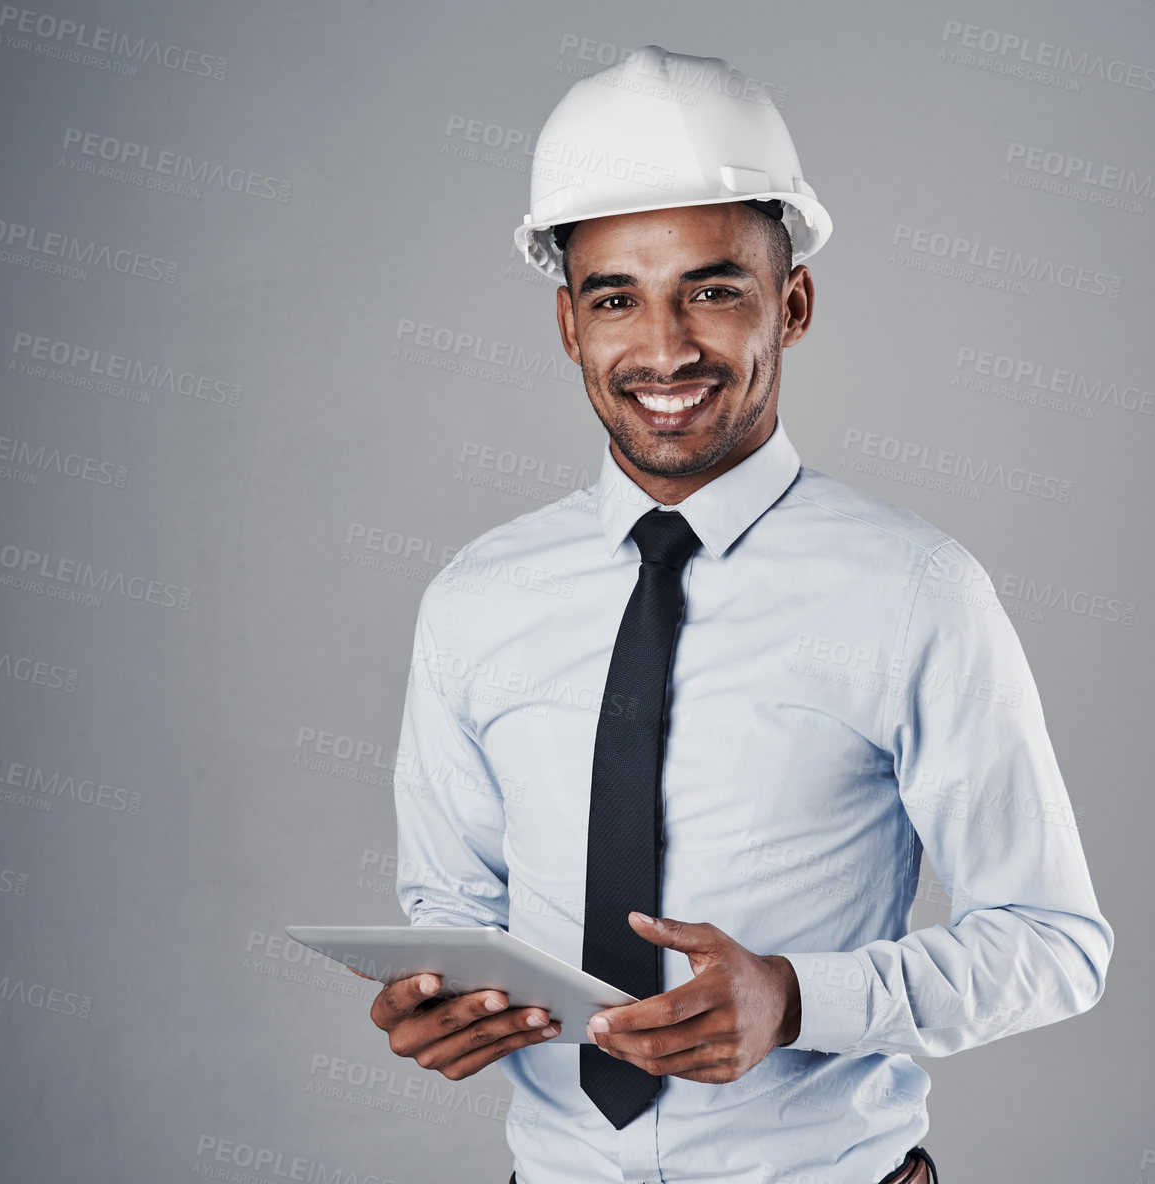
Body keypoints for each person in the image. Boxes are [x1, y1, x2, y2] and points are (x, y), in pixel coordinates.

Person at [359, 46, 1111, 1184]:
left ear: (792, 302)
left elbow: (1056, 945)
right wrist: (440, 1000)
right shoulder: (476, 597)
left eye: (713, 289)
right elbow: (454, 903)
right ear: (570, 324)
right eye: (617, 298)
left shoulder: (915, 589)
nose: (663, 350)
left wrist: (800, 996)